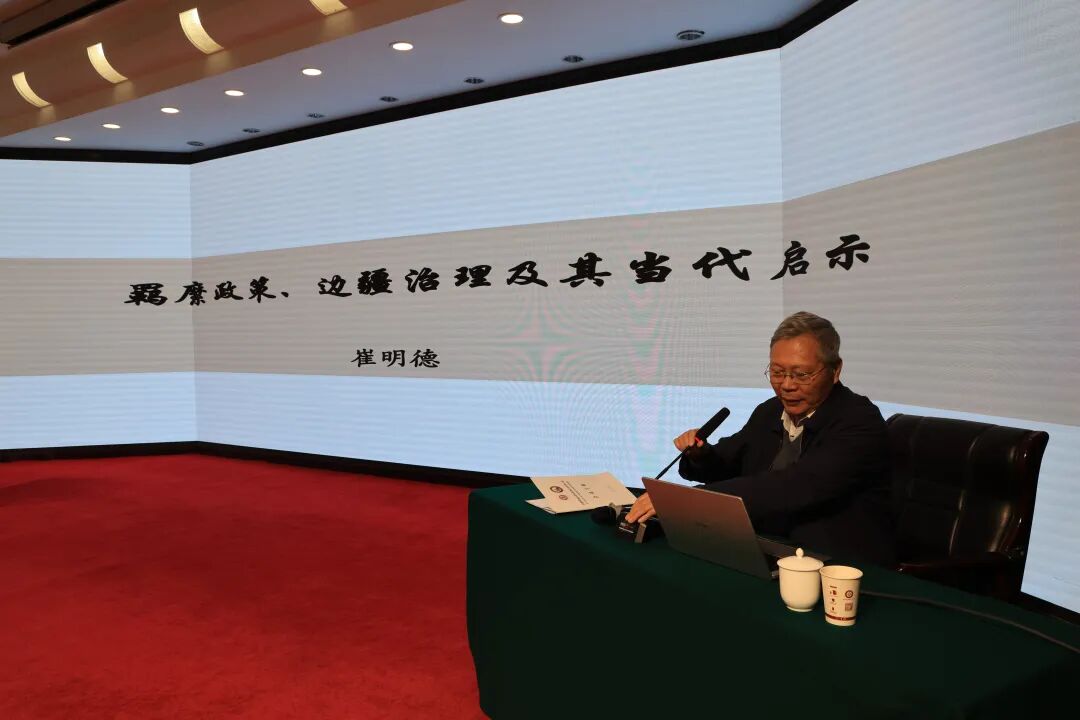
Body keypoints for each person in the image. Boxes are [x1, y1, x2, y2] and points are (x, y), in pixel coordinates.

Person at [626, 311, 896, 565]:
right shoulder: (770, 411)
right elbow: (728, 465)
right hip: (766, 550)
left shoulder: (860, 421)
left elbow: (795, 486)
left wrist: (687, 501)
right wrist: (701, 455)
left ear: (835, 371)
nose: (787, 385)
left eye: (801, 375)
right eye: (777, 372)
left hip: (837, 564)